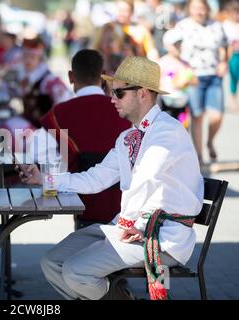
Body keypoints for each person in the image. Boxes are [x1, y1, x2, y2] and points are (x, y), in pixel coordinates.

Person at [18, 56, 204, 300]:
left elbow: (146, 176)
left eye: (118, 93)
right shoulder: (128, 136)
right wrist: (45, 180)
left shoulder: (167, 131)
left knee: (76, 272)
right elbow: (94, 179)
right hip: (126, 228)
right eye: (112, 92)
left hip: (162, 237)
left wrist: (128, 222)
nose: (111, 99)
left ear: (143, 93)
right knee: (52, 262)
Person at [40, 49, 130, 229]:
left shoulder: (57, 115)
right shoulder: (126, 112)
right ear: (104, 77)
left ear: (71, 76)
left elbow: (42, 156)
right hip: (126, 211)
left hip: (82, 207)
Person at [174, 0, 228, 163]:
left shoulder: (216, 25)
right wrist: (183, 65)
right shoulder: (182, 26)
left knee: (216, 116)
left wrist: (223, 61)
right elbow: (170, 44)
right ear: (190, 9)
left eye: (202, 8)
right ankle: (199, 155)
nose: (199, 11)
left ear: (207, 9)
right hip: (193, 76)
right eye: (196, 8)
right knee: (197, 116)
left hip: (213, 75)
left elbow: (223, 46)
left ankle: (210, 141)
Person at [158, 28, 197, 129]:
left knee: (182, 129)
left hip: (182, 104)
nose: (178, 47)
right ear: (167, 46)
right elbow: (156, 84)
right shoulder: (162, 63)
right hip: (166, 103)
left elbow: (195, 81)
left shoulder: (185, 64)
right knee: (166, 129)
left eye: (180, 44)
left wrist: (188, 80)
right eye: (175, 45)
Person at [222, 0, 239, 111]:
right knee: (233, 78)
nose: (236, 15)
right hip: (232, 55)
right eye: (234, 13)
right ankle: (234, 101)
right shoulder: (225, 25)